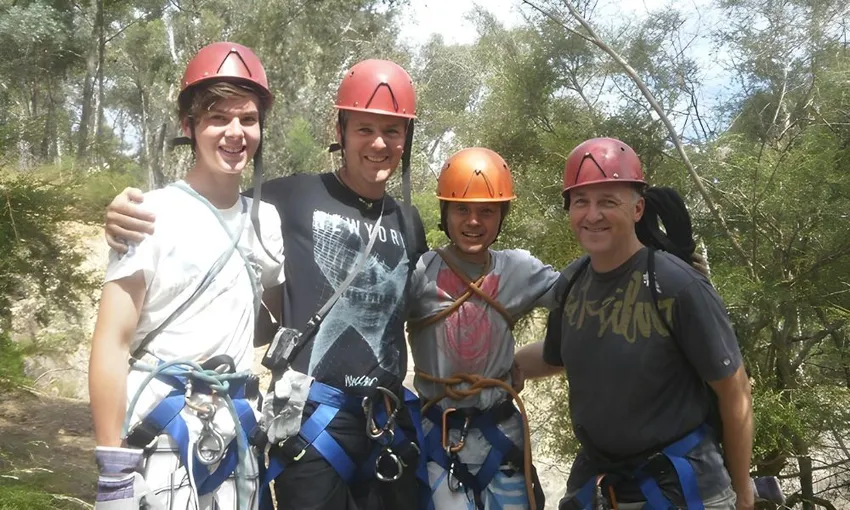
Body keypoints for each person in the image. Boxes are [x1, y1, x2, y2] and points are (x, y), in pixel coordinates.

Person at [102, 58, 429, 510]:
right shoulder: (289, 198)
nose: (379, 143)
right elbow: (213, 198)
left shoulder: (409, 222)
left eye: (393, 131)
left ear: (406, 138)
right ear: (341, 130)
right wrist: (121, 209)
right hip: (314, 425)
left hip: (383, 423)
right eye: (364, 129)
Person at [88, 41, 285, 510]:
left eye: (248, 119)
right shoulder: (148, 214)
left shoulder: (268, 221)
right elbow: (112, 343)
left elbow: (280, 314)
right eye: (218, 117)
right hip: (160, 438)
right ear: (189, 126)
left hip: (237, 442)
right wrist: (114, 472)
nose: (235, 132)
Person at [513, 137, 755, 510]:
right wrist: (496, 368)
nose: (593, 215)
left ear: (638, 208)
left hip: (682, 485)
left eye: (608, 201)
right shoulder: (574, 280)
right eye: (581, 202)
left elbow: (734, 392)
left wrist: (742, 495)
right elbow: (554, 356)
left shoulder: (676, 284)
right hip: (601, 480)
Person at [406, 147, 562, 509]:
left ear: (501, 215)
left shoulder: (519, 271)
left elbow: (581, 295)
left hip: (501, 437)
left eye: (486, 211)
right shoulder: (420, 273)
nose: (473, 221)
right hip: (439, 439)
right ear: (445, 212)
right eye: (462, 209)